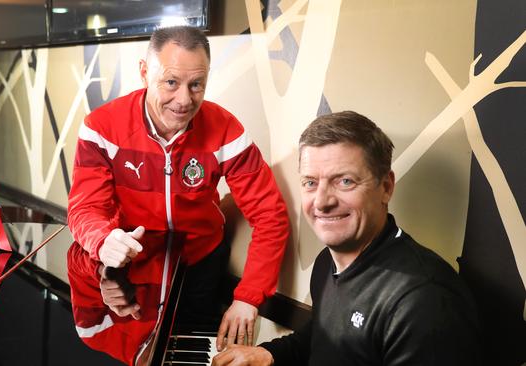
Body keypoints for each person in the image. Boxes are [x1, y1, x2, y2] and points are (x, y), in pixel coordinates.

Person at [67, 25, 289, 351]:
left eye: (196, 85)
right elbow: (85, 208)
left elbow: (270, 215)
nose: (184, 100)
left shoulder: (226, 129)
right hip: (129, 267)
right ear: (144, 73)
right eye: (171, 82)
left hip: (199, 268)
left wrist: (248, 298)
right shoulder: (101, 127)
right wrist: (102, 241)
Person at [212, 111, 481, 365]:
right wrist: (267, 355)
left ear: (386, 187)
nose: (322, 202)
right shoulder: (326, 263)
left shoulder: (424, 302)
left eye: (345, 182)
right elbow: (322, 338)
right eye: (310, 182)